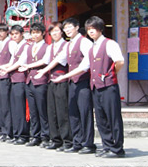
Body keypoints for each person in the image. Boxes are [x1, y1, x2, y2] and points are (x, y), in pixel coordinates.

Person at [51, 18, 95, 154]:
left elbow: (86, 64)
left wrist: (65, 76)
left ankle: (88, 144)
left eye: (70, 27)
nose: (67, 30)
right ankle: (77, 142)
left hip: (83, 82)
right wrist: (43, 71)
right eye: (65, 28)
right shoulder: (69, 44)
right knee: (73, 113)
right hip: (73, 83)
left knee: (85, 113)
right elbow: (59, 59)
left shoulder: (85, 42)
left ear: (76, 27)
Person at [85, 16, 125, 158]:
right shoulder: (92, 47)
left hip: (108, 86)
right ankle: (107, 145)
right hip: (96, 86)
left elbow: (119, 61)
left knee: (113, 117)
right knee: (101, 118)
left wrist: (111, 74)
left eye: (93, 29)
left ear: (100, 29)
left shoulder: (110, 44)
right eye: (89, 29)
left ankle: (117, 148)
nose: (91, 32)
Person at [33, 22, 71, 150]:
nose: (54, 34)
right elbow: (45, 60)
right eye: (52, 32)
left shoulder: (66, 45)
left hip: (62, 81)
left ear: (62, 32)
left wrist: (43, 71)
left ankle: (67, 140)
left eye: (56, 31)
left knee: (62, 112)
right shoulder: (51, 47)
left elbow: (58, 60)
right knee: (52, 111)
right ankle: (55, 139)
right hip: (51, 81)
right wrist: (28, 66)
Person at [20, 23, 50, 147]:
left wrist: (28, 66)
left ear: (43, 33)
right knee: (33, 111)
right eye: (33, 33)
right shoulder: (28, 47)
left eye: (37, 33)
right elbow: (21, 61)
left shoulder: (47, 47)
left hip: (41, 81)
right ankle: (35, 135)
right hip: (30, 81)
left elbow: (45, 61)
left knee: (42, 110)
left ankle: (45, 136)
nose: (35, 35)